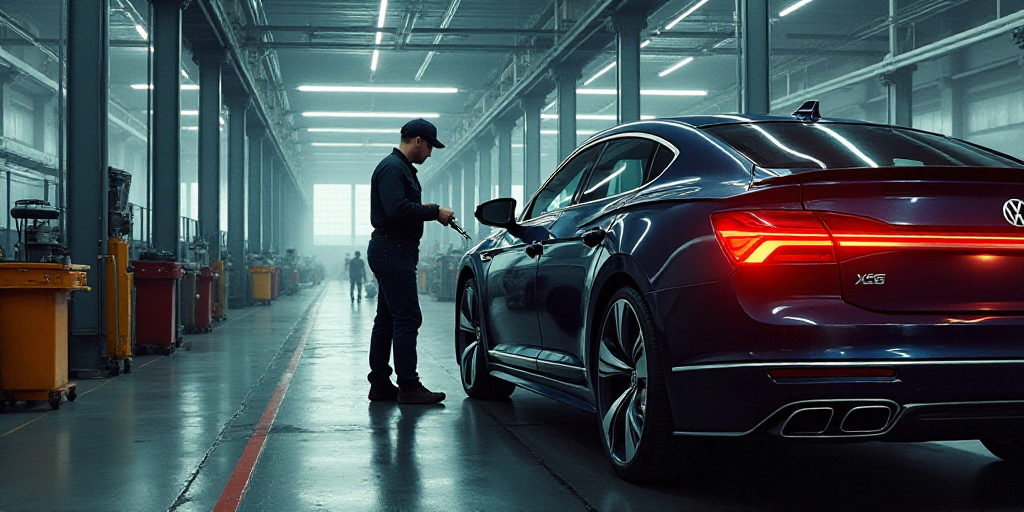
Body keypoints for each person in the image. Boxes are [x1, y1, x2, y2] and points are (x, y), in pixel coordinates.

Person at [366, 118, 454, 405]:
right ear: (417, 141)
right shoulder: (393, 168)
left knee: (388, 318)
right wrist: (434, 211)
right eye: (429, 147)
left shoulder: (399, 168)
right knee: (407, 317)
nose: (430, 153)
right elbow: (396, 208)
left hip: (391, 250)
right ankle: (409, 386)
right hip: (393, 250)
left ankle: (380, 384)